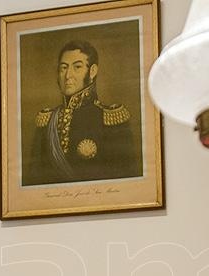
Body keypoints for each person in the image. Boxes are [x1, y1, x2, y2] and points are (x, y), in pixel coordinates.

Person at [24, 40, 140, 186]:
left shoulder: (110, 118)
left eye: (77, 67)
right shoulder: (46, 120)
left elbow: (127, 182)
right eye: (63, 68)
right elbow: (33, 183)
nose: (68, 76)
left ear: (92, 71)